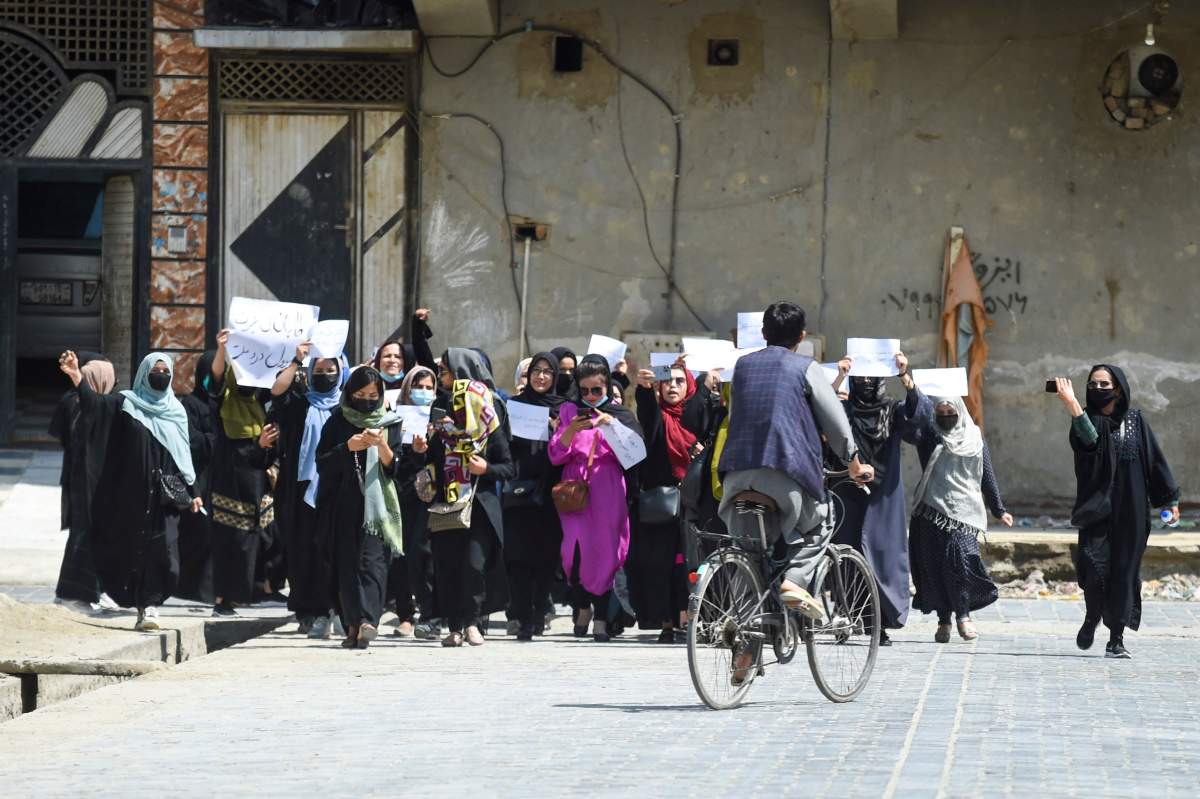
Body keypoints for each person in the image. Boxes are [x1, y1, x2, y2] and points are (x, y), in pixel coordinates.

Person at [717, 301, 870, 622]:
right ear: (801, 336)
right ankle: (795, 582)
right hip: (784, 474)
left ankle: (744, 643)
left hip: (735, 477)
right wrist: (854, 462)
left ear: (763, 333)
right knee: (822, 520)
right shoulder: (805, 367)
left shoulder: (742, 367)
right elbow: (836, 422)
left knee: (749, 554)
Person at [57, 350, 203, 630]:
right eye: (155, 371)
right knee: (136, 550)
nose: (160, 376)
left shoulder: (176, 411)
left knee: (166, 553)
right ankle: (146, 606)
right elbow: (96, 406)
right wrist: (77, 376)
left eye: (165, 372)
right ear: (143, 374)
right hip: (132, 494)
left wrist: (194, 490)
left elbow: (183, 453)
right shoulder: (126, 403)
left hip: (166, 496)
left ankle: (152, 600)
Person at [1055, 367, 1180, 658]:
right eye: (1093, 383)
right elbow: (1090, 442)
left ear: (1118, 389)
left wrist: (1170, 500)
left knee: (1125, 574)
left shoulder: (1136, 421)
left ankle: (1116, 638)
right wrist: (1071, 404)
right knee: (1092, 568)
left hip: (1131, 512)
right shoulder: (1086, 420)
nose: (1098, 388)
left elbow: (1155, 462)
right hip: (1096, 509)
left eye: (1105, 383)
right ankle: (1092, 615)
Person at [828, 351, 925, 645]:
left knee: (882, 558)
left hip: (884, 496)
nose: (867, 381)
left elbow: (919, 422)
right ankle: (848, 615)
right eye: (861, 377)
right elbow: (818, 413)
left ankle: (878, 624)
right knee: (848, 555)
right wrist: (839, 377)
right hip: (848, 491)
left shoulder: (892, 410)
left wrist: (905, 377)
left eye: (872, 376)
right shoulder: (843, 409)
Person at [548, 355, 643, 642]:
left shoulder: (620, 414)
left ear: (607, 387)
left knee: (604, 554)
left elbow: (635, 454)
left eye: (597, 390)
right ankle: (582, 606)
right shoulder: (569, 412)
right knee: (572, 556)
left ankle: (601, 617)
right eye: (585, 390)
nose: (590, 396)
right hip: (574, 491)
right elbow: (554, 455)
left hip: (607, 489)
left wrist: (611, 426)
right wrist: (571, 431)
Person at [907, 396, 1013, 642]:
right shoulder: (930, 436)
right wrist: (910, 387)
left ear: (960, 412)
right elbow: (913, 420)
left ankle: (963, 615)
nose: (945, 416)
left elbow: (987, 474)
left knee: (962, 563)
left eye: (950, 411)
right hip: (931, 510)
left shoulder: (974, 437)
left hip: (964, 512)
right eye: (940, 412)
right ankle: (944, 619)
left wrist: (998, 509)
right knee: (935, 568)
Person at [315, 367, 406, 649]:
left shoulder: (390, 423)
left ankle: (368, 621)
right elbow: (322, 463)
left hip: (376, 507)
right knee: (347, 566)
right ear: (350, 394)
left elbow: (397, 468)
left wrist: (382, 446)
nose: (366, 400)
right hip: (342, 504)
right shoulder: (337, 421)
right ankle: (352, 625)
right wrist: (348, 447)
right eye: (360, 395)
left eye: (372, 395)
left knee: (373, 563)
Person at [427, 354, 514, 646]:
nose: (440, 375)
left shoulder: (490, 423)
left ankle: (473, 621)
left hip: (480, 506)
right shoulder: (440, 415)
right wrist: (421, 447)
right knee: (449, 565)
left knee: (474, 565)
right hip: (448, 504)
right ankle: (454, 626)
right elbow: (429, 461)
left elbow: (508, 467)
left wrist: (485, 468)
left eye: (445, 371)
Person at [632, 357, 716, 642]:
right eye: (667, 380)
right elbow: (647, 411)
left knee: (691, 561)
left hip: (693, 502)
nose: (673, 386)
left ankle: (690, 617)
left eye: (680, 381)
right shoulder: (658, 416)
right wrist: (644, 390)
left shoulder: (696, 414)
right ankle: (667, 621)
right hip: (662, 503)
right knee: (661, 563)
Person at [267, 341, 348, 638]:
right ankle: (309, 611)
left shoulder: (347, 407)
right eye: (319, 370)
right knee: (303, 551)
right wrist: (295, 360)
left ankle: (337, 608)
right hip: (299, 489)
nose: (325, 375)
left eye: (331, 370)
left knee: (333, 551)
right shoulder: (300, 404)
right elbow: (277, 392)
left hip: (336, 488)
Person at [207, 330, 280, 616]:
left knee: (263, 537)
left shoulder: (260, 406)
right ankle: (224, 599)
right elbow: (214, 379)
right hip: (230, 482)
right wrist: (222, 350)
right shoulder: (224, 401)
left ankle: (255, 590)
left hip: (257, 482)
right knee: (231, 539)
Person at [503, 352, 565, 641]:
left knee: (546, 558)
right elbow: (503, 445)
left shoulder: (563, 408)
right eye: (536, 371)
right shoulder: (514, 405)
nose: (541, 377)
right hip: (519, 489)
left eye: (547, 372)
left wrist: (558, 432)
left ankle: (540, 611)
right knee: (518, 558)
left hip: (551, 493)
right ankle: (522, 616)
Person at [49, 355, 116, 612]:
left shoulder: (75, 401)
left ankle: (98, 589)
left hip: (83, 477)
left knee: (94, 535)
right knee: (83, 536)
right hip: (85, 480)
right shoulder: (84, 404)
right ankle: (70, 594)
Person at [386, 365, 439, 639]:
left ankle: (430, 612)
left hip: (432, 497)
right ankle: (405, 614)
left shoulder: (440, 419)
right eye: (418, 387)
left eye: (429, 388)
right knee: (402, 554)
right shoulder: (396, 418)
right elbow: (394, 463)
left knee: (425, 554)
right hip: (402, 493)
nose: (424, 392)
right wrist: (414, 452)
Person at [176, 350, 217, 604]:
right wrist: (219, 442)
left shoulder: (226, 403)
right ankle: (190, 587)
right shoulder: (190, 404)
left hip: (221, 476)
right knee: (198, 531)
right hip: (198, 476)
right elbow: (191, 440)